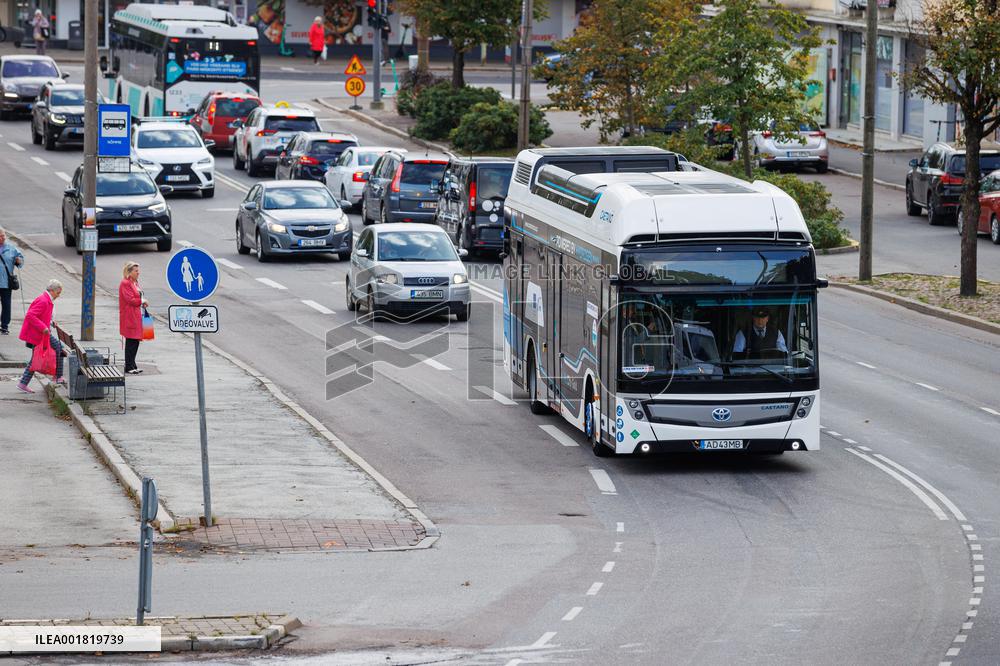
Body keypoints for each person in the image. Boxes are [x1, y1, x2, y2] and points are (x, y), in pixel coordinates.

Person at [17, 279, 65, 393]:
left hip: (39, 334)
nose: (59, 295)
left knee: (35, 359)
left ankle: (23, 383)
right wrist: (43, 327)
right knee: (59, 348)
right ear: (52, 291)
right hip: (38, 334)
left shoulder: (46, 299)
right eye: (58, 293)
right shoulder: (44, 300)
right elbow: (30, 315)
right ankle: (58, 377)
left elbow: (42, 315)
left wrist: (51, 322)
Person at [119, 261, 148, 375]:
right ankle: (129, 366)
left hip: (137, 314)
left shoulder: (134, 282)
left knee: (135, 340)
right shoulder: (125, 283)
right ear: (129, 272)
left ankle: (132, 364)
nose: (138, 273)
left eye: (138, 270)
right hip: (130, 315)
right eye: (136, 271)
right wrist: (142, 301)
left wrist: (142, 302)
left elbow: (138, 296)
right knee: (131, 340)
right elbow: (130, 300)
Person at [0, 226, 25, 336]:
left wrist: (19, 261)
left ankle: (4, 326)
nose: (2, 238)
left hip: (6, 283)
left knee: (6, 305)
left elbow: (20, 259)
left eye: (3, 235)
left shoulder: (11, 248)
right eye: (0, 236)